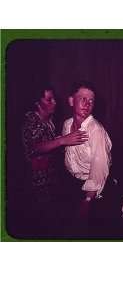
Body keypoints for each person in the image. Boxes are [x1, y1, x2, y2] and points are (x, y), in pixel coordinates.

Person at [22, 86, 88, 237]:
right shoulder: (31, 120)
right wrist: (62, 141)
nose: (55, 102)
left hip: (52, 177)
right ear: (37, 103)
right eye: (48, 99)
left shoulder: (49, 119)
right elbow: (34, 148)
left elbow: (50, 143)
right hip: (37, 181)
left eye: (54, 98)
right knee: (43, 222)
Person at [62, 81, 113, 237]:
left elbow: (99, 170)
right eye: (83, 98)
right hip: (70, 183)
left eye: (91, 100)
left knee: (88, 231)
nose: (87, 103)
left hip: (91, 189)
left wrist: (87, 201)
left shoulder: (96, 130)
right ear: (71, 101)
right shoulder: (67, 124)